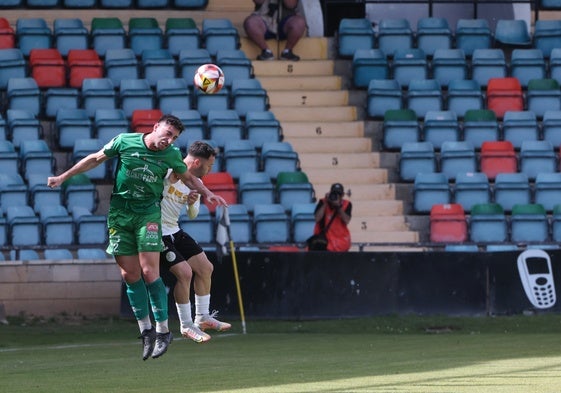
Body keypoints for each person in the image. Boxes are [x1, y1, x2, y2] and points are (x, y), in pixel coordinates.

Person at [47, 115, 227, 361]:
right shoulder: (125, 141)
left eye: (174, 137)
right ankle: (146, 331)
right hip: (120, 215)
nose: (169, 140)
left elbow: (187, 178)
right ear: (155, 127)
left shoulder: (172, 155)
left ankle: (167, 330)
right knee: (129, 275)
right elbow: (95, 159)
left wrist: (206, 193)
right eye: (168, 133)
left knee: (152, 272)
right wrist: (63, 177)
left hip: (150, 215)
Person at [160, 141, 231, 343]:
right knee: (185, 273)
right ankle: (186, 325)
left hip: (174, 229)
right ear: (197, 162)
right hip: (157, 232)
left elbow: (193, 215)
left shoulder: (196, 183)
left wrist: (191, 203)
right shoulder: (168, 172)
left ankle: (202, 317)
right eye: (209, 166)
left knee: (206, 268)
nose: (209, 170)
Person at [313, 183, 352, 252]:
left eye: (339, 194)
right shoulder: (322, 202)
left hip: (340, 242)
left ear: (342, 195)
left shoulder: (347, 204)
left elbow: (346, 220)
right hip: (324, 241)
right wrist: (326, 202)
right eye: (334, 193)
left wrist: (338, 206)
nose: (336, 196)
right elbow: (317, 219)